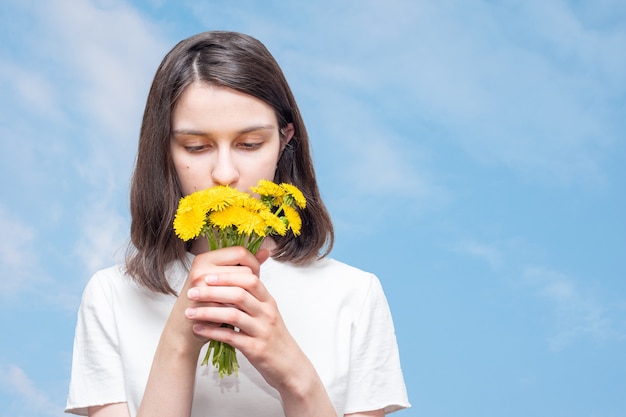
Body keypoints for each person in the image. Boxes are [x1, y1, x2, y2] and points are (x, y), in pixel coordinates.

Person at [66, 31, 410, 417]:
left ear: (285, 140)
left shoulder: (354, 296)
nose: (224, 173)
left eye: (249, 144)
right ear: (164, 149)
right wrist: (179, 341)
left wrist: (294, 374)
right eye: (196, 147)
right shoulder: (112, 297)